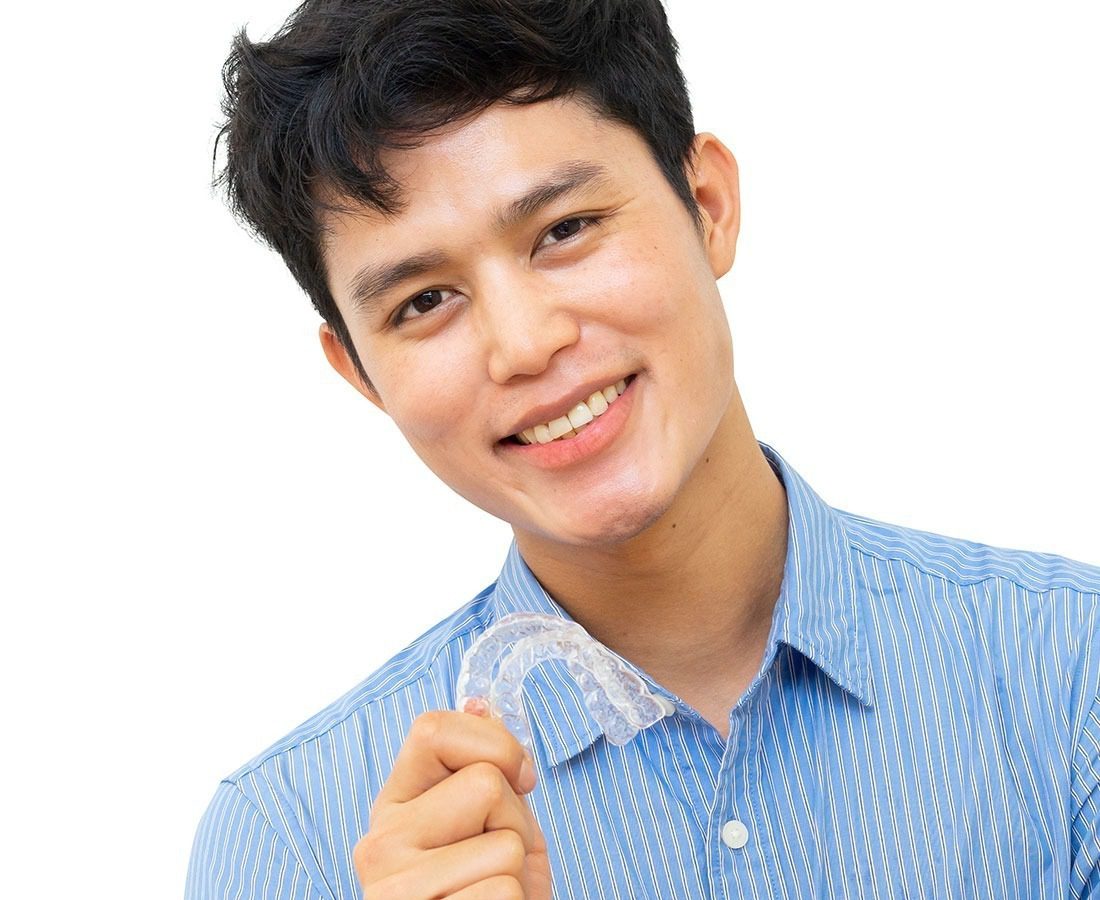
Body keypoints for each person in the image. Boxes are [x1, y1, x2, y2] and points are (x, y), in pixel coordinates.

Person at [186, 0, 1100, 897]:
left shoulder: (1071, 669)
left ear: (707, 205)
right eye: (422, 301)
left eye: (564, 231)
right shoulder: (294, 844)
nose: (524, 343)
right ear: (360, 375)